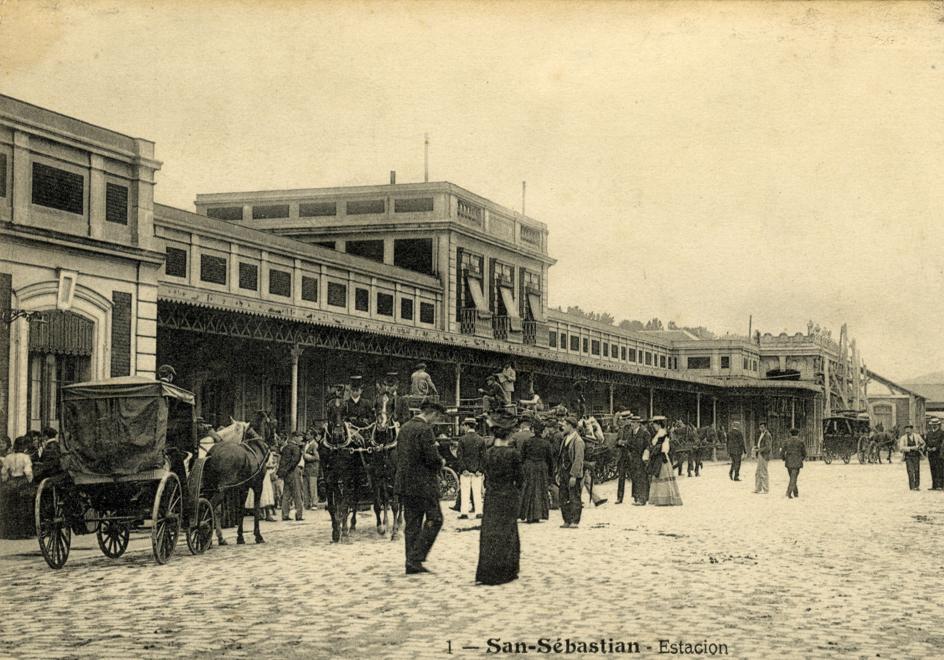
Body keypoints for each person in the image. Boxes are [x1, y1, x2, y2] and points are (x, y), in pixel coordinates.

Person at [396, 398, 447, 574]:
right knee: (436, 519)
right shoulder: (425, 430)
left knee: (412, 523)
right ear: (432, 413)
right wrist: (441, 462)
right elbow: (431, 459)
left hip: (405, 484)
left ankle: (411, 563)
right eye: (437, 417)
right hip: (424, 485)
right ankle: (416, 557)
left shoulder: (404, 428)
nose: (436, 421)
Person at [475, 420, 523, 585]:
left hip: (492, 497)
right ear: (509, 435)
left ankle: (487, 572)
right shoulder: (514, 454)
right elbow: (520, 479)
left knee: (490, 533)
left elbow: (485, 474)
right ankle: (507, 571)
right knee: (508, 532)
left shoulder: (488, 454)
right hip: (508, 496)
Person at [518, 417, 553, 523]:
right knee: (540, 490)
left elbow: (522, 457)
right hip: (541, 467)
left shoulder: (527, 442)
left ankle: (527, 514)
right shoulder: (546, 444)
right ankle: (539, 514)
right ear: (542, 432)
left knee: (528, 489)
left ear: (533, 431)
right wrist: (550, 474)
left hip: (529, 467)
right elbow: (550, 460)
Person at [0, 435, 35, 539]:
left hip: (11, 483)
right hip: (22, 483)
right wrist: (30, 481)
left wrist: (6, 481)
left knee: (11, 507)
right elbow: (28, 472)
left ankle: (10, 532)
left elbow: (4, 472)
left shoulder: (8, 457)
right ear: (24, 447)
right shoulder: (25, 457)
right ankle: (23, 532)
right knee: (23, 507)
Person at [557, 416, 585, 529]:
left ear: (570, 426)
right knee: (563, 496)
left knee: (574, 497)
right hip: (564, 471)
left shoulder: (578, 441)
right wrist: (558, 472)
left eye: (565, 424)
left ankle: (574, 521)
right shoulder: (565, 439)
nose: (563, 426)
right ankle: (566, 520)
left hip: (572, 472)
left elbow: (578, 459)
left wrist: (574, 475)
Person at [648, 416, 682, 506]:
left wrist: (662, 453)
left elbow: (665, 444)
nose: (654, 426)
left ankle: (664, 499)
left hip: (661, 456)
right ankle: (660, 498)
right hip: (658, 455)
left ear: (658, 424)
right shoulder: (659, 432)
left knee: (661, 475)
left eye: (655, 425)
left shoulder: (662, 432)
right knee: (658, 476)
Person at [457, 417, 485, 520]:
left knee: (465, 492)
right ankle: (479, 512)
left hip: (465, 472)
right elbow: (483, 457)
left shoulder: (462, 439)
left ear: (467, 426)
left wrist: (463, 469)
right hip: (477, 471)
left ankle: (464, 512)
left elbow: (460, 456)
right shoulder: (481, 439)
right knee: (477, 492)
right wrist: (480, 470)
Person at [278, 432, 306, 521]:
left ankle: (285, 514)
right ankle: (299, 515)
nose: (301, 439)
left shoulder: (286, 447)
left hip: (286, 473)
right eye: (300, 437)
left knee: (286, 493)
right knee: (297, 493)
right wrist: (289, 469)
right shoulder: (296, 448)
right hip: (294, 471)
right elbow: (295, 460)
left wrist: (284, 472)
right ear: (295, 437)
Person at [627, 414, 652, 505]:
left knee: (642, 478)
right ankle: (636, 497)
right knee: (635, 477)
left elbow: (648, 446)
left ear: (638, 423)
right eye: (631, 422)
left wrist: (645, 456)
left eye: (633, 422)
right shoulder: (631, 432)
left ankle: (643, 499)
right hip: (633, 459)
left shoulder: (645, 432)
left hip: (641, 459)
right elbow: (629, 444)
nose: (631, 424)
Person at [898, 424, 926, 491]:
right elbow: (901, 448)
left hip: (916, 456)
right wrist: (911, 448)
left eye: (908, 429)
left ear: (911, 429)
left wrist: (920, 447)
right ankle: (912, 487)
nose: (907, 431)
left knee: (917, 471)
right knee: (910, 471)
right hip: (908, 456)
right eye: (906, 430)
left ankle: (917, 486)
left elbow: (923, 443)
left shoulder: (917, 436)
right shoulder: (903, 438)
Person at [780, 427, 806, 498]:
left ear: (790, 434)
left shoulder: (787, 441)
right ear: (797, 434)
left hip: (788, 462)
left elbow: (782, 452)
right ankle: (789, 492)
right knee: (793, 478)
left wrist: (784, 459)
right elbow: (804, 453)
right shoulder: (801, 442)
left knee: (792, 477)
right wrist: (801, 459)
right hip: (797, 462)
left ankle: (796, 493)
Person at [302, 429, 322, 509]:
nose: (306, 436)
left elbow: (317, 457)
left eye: (308, 434)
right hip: (306, 468)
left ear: (312, 436)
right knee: (305, 487)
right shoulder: (306, 444)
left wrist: (308, 457)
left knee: (312, 487)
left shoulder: (315, 445)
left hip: (313, 468)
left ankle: (314, 504)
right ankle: (306, 503)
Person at [925, 419, 944, 490]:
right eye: (932, 424)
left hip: (939, 454)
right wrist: (927, 448)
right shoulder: (929, 433)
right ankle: (934, 485)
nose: (934, 425)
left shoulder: (942, 433)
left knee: (940, 469)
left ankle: (940, 485)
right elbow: (926, 442)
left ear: (938, 425)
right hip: (931, 454)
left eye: (935, 424)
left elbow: (942, 443)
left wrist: (936, 448)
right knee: (932, 469)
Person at [753, 422, 772, 494]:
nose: (761, 429)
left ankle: (765, 489)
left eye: (762, 427)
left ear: (765, 427)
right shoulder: (762, 434)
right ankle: (758, 488)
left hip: (764, 455)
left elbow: (768, 447)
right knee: (758, 472)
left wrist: (759, 450)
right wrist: (757, 447)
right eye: (760, 427)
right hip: (761, 454)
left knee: (763, 472)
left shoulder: (767, 435)